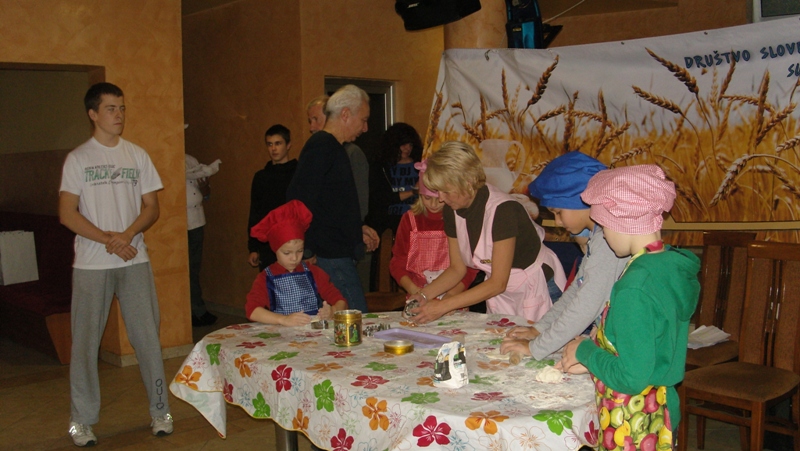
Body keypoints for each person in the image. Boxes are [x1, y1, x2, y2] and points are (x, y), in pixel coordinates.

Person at [59, 82, 172, 447]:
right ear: (93, 114)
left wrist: (127, 235)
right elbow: (67, 213)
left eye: (122, 108)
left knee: (147, 339)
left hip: (134, 260)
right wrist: (109, 240)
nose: (119, 115)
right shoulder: (78, 159)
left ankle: (160, 411)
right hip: (91, 265)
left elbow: (152, 207)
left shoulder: (136, 155)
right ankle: (81, 420)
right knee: (85, 344)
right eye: (111, 108)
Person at [556, 165, 700, 450]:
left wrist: (584, 351)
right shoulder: (664, 265)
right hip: (662, 410)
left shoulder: (635, 286)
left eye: (604, 227)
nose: (604, 236)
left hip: (635, 421)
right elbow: (646, 352)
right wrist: (594, 363)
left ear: (621, 221)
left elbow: (631, 377)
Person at [406, 141, 566, 324]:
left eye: (446, 191)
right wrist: (423, 295)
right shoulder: (452, 210)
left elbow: (498, 282)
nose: (441, 198)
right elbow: (457, 269)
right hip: (501, 291)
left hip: (538, 286)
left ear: (468, 182)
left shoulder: (503, 211)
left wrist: (443, 306)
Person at [500, 151, 629, 360]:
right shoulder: (598, 236)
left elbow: (586, 306)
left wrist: (536, 348)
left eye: (558, 212)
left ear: (583, 202)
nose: (558, 222)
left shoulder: (607, 242)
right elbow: (577, 289)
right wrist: (540, 329)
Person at [288, 85, 379, 314]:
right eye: (363, 120)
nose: (365, 128)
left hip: (335, 252)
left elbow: (331, 205)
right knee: (355, 319)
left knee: (346, 322)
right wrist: (306, 250)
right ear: (346, 114)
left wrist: (357, 228)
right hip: (329, 255)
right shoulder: (322, 146)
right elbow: (300, 200)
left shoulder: (334, 148)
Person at [245, 200, 347, 326]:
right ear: (275, 250)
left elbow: (341, 301)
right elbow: (252, 311)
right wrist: (283, 319)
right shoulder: (266, 277)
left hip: (311, 333)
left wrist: (333, 310)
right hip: (282, 333)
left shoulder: (313, 272)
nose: (294, 258)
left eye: (299, 251)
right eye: (287, 253)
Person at [390, 159, 478, 300]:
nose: (433, 204)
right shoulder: (410, 220)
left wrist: (451, 295)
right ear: (420, 195)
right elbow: (398, 262)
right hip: (417, 293)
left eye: (439, 199)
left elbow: (470, 266)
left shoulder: (460, 219)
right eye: (427, 198)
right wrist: (415, 291)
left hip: (453, 297)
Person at [307, 95, 369, 221]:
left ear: (330, 118)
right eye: (310, 121)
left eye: (316, 119)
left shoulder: (352, 153)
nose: (311, 127)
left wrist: (358, 226)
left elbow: (359, 200)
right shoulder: (314, 151)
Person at [248, 124, 297, 271]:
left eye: (278, 143)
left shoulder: (298, 174)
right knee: (270, 283)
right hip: (267, 244)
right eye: (269, 144)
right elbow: (255, 213)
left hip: (294, 242)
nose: (273, 149)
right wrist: (253, 247)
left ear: (288, 145)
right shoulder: (261, 177)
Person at [366, 122, 423, 236]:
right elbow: (380, 198)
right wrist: (412, 191)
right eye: (403, 144)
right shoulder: (381, 167)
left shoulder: (420, 166)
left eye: (410, 144)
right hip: (387, 225)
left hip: (416, 222)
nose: (408, 148)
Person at [185, 154, 221, 327]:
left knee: (194, 268)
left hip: (197, 221)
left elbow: (206, 195)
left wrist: (204, 187)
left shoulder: (191, 160)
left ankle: (197, 309)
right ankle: (190, 312)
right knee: (183, 270)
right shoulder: (167, 160)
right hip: (179, 224)